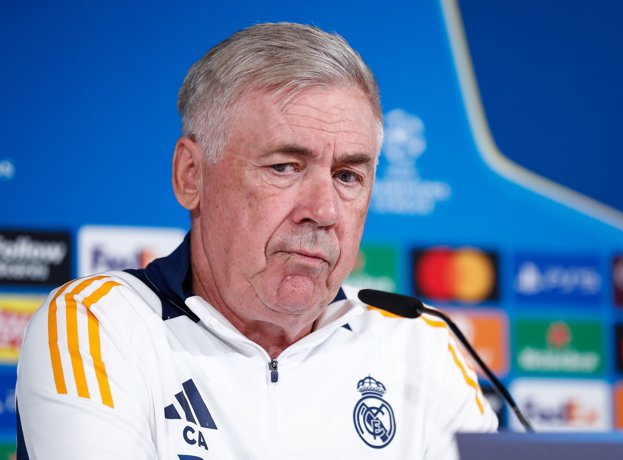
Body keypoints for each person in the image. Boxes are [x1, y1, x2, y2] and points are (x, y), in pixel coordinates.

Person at [16, 22, 497, 460]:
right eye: (284, 167)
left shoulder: (422, 349)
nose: (325, 211)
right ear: (191, 175)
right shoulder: (101, 325)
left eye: (348, 176)